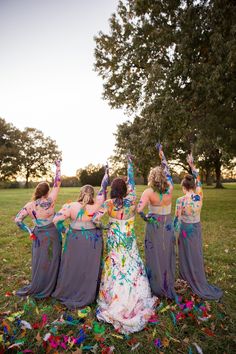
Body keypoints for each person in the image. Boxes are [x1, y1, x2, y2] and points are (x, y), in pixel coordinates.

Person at [92, 155, 156, 334]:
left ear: (113, 190)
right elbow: (133, 183)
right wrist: (129, 163)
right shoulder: (133, 200)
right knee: (131, 264)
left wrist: (106, 225)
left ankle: (114, 298)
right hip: (128, 239)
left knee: (114, 267)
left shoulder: (108, 203)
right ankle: (135, 296)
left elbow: (96, 219)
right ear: (126, 189)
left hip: (114, 237)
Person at [52, 166, 109, 310]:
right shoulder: (97, 206)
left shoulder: (71, 206)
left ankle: (69, 289)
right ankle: (88, 291)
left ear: (81, 193)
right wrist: (106, 173)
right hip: (92, 240)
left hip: (74, 239)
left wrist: (64, 230)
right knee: (89, 266)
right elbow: (104, 189)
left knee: (73, 264)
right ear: (92, 194)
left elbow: (55, 220)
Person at [174, 153, 223, 300]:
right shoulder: (199, 195)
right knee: (195, 252)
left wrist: (173, 236)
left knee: (185, 253)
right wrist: (192, 165)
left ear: (183, 187)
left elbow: (177, 220)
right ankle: (195, 275)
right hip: (196, 228)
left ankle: (186, 277)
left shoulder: (180, 200)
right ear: (194, 186)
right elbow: (199, 179)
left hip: (185, 230)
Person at [14, 160, 62, 298]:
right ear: (47, 192)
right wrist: (58, 167)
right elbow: (57, 183)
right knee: (53, 259)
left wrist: (29, 230)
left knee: (40, 260)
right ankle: (52, 286)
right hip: (52, 233)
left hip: (38, 235)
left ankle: (40, 284)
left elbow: (18, 220)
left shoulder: (30, 205)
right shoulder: (51, 200)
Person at [137, 144, 176, 300]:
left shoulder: (148, 192)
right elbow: (168, 170)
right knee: (166, 251)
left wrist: (145, 217)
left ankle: (156, 284)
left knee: (155, 252)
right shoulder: (171, 189)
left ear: (151, 178)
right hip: (167, 224)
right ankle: (167, 280)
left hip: (155, 225)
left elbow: (139, 209)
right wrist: (162, 155)